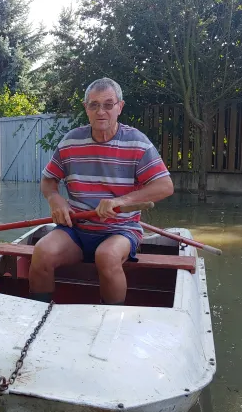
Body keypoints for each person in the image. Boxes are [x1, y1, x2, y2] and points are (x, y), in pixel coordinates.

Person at [29, 77, 174, 305]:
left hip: (121, 229)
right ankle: (39, 317)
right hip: (76, 228)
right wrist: (55, 198)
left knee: (106, 257)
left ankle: (111, 322)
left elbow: (165, 186)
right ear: (86, 108)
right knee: (41, 253)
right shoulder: (70, 142)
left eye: (108, 104)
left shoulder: (138, 143)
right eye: (94, 105)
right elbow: (48, 180)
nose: (101, 112)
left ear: (120, 107)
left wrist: (121, 201)